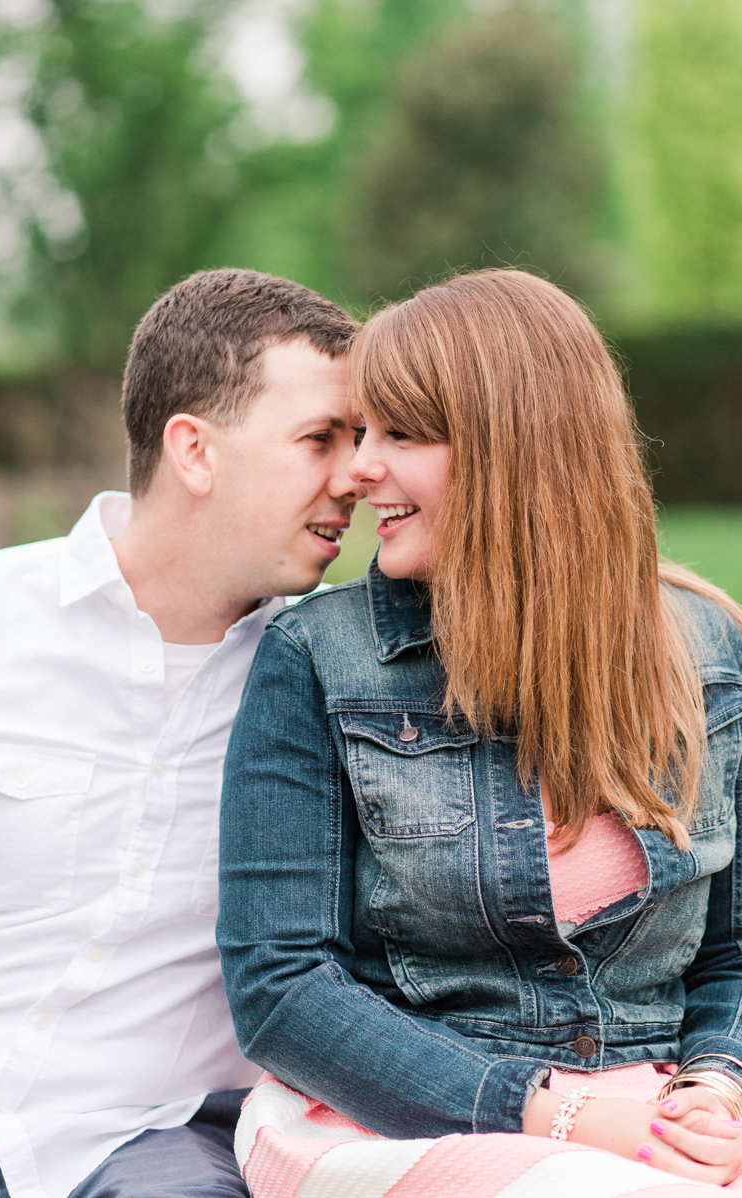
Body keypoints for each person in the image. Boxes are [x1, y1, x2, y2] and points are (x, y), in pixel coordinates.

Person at [218, 269, 742, 1196]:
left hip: (655, 1108)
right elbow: (284, 987)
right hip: (394, 1119)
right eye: (354, 432)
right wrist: (563, 1116)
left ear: (517, 451)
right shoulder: (317, 658)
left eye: (399, 434)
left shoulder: (706, 650)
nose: (357, 470)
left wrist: (715, 1090)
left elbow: (732, 954)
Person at [0, 268, 363, 1198]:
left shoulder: (346, 682)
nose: (356, 478)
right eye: (318, 440)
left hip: (157, 1144)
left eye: (361, 441)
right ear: (195, 451)